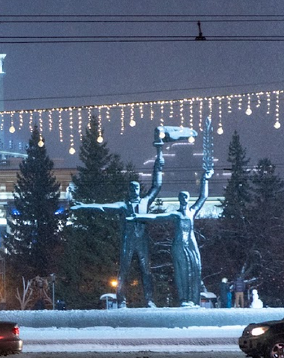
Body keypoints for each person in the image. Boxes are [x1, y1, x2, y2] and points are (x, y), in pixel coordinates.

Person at [70, 129, 165, 307]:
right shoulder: (123, 205)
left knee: (146, 271)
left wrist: (159, 159)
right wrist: (83, 206)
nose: (135, 191)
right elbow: (102, 207)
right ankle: (121, 300)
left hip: (142, 242)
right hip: (128, 241)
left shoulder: (145, 202)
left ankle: (150, 300)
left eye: (137, 188)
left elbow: (157, 185)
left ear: (139, 190)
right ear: (129, 191)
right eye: (132, 189)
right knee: (124, 271)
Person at [131, 165, 213, 307]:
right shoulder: (175, 214)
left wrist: (205, 179)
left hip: (191, 246)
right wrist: (137, 217)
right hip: (179, 246)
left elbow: (203, 197)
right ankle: (183, 299)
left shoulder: (192, 212)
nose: (184, 199)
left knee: (194, 271)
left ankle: (192, 299)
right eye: (181, 197)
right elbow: (157, 217)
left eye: (186, 197)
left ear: (188, 199)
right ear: (179, 199)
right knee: (181, 273)